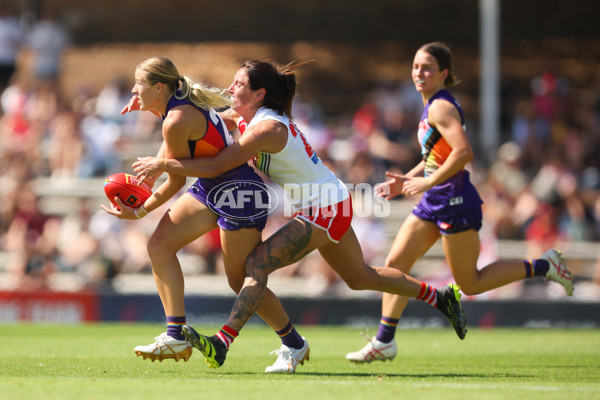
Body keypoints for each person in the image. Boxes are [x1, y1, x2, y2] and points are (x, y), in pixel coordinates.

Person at [131, 59, 468, 370]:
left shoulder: (266, 128)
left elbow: (218, 164)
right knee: (361, 277)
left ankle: (223, 342)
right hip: (327, 201)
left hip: (325, 207)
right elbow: (204, 111)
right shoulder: (249, 118)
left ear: (259, 93)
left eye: (238, 84)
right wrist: (153, 105)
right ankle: (440, 296)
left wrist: (162, 163)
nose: (230, 89)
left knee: (255, 265)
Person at [344, 42, 574, 363]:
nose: (419, 73)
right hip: (434, 199)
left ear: (443, 73)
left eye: (426, 68)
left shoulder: (440, 107)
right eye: (415, 67)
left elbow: (464, 152)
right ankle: (385, 341)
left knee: (470, 283)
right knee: (395, 263)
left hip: (454, 200)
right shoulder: (431, 107)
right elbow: (434, 158)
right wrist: (407, 180)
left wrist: (424, 182)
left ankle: (545, 265)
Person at [105, 56, 309, 373]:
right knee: (159, 245)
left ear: (158, 87)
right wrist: (151, 112)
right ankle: (175, 335)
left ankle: (294, 342)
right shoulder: (175, 109)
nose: (133, 89)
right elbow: (170, 161)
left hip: (239, 193)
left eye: (138, 84)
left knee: (239, 280)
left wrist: (140, 210)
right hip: (212, 187)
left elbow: (174, 178)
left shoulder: (176, 119)